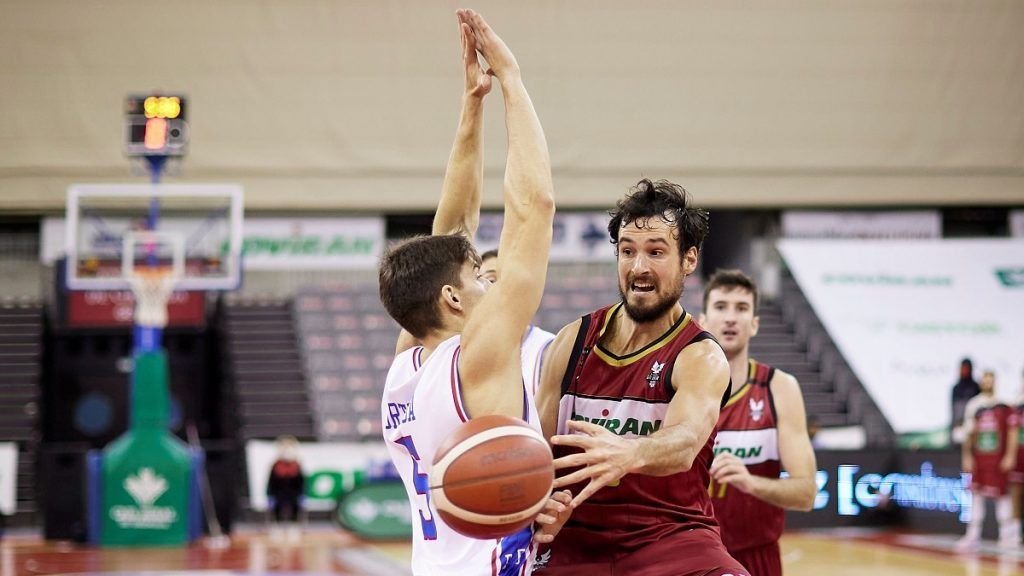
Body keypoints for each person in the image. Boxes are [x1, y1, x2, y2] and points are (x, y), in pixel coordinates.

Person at [379, 10, 567, 575]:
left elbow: (453, 231)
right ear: (452, 300)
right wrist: (511, 79)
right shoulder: (476, 356)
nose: (491, 283)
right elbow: (534, 208)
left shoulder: (406, 366)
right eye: (479, 278)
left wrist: (472, 105)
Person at [535, 179, 749, 575]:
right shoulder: (572, 340)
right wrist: (536, 502)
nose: (638, 267)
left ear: (689, 260)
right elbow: (536, 449)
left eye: (656, 252)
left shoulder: (700, 355)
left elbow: (685, 442)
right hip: (572, 539)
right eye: (628, 251)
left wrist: (630, 453)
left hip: (672, 538)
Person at [699, 269, 817, 576]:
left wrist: (751, 483)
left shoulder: (779, 388)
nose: (730, 318)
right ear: (703, 321)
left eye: (741, 308)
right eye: (721, 306)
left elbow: (806, 493)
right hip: (692, 556)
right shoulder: (677, 388)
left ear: (754, 324)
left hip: (756, 557)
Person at [480, 248, 557, 395]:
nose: (501, 288)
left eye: (510, 280)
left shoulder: (549, 349)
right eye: (491, 279)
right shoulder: (460, 348)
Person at [959, 370, 1019, 550]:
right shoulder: (974, 405)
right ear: (981, 382)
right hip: (980, 460)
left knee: (1003, 496)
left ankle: (1006, 536)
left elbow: (1013, 431)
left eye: (991, 380)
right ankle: (972, 535)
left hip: (997, 459)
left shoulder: (1004, 406)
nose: (988, 383)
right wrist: (967, 456)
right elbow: (968, 434)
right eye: (985, 380)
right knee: (976, 496)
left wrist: (1010, 455)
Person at [265, 435, 305, 541]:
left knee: (295, 509)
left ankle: (294, 528)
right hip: (278, 493)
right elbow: (270, 482)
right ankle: (277, 528)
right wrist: (269, 495)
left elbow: (302, 482)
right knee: (277, 510)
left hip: (293, 494)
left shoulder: (297, 465)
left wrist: (303, 494)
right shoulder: (276, 465)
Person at [1007, 366, 1024, 548]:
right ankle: (1015, 532)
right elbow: (1012, 432)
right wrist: (1010, 456)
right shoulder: (1017, 403)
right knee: (1016, 493)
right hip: (1020, 456)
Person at [952, 358, 981, 445]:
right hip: (959, 426)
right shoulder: (956, 388)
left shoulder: (975, 387)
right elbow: (954, 410)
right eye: (962, 368)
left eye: (966, 368)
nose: (964, 371)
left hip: (973, 425)